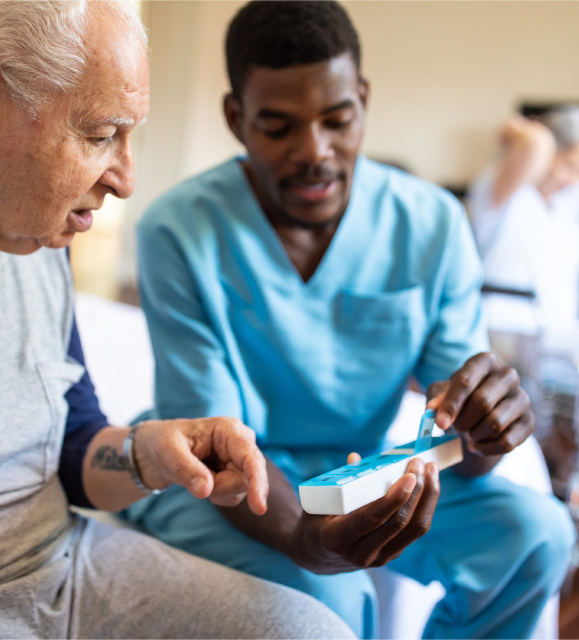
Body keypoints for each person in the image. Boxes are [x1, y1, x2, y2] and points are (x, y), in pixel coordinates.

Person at [126, 1, 576, 639]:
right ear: (236, 119)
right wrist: (306, 541)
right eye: (278, 127)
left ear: (363, 99)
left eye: (337, 119)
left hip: (355, 472)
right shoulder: (178, 231)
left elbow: (456, 444)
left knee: (538, 535)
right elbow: (212, 450)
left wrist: (486, 430)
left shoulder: (431, 225)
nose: (315, 152)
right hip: (221, 491)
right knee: (325, 603)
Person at [0, 1, 360, 639]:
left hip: (67, 566)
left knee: (313, 631)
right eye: (100, 134)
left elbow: (72, 444)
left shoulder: (34, 238)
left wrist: (151, 455)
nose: (127, 179)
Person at [468, 108, 579, 340]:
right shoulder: (507, 191)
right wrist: (516, 129)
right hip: (502, 334)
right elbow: (535, 144)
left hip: (556, 339)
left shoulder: (567, 202)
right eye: (568, 166)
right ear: (550, 152)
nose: (571, 180)